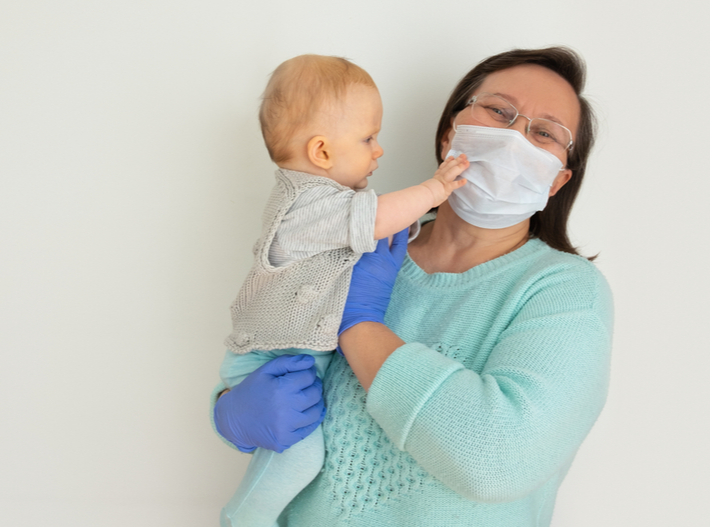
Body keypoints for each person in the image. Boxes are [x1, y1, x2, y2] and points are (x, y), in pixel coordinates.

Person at [212, 46, 614, 527]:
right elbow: (274, 336)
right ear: (451, 134)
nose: (514, 137)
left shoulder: (566, 292)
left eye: (545, 133)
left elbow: (496, 461)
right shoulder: (356, 243)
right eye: (499, 111)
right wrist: (230, 413)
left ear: (557, 181)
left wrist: (360, 325)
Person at [214, 54, 468, 527]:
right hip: (269, 361)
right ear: (322, 153)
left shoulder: (327, 206)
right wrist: (435, 190)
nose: (379, 151)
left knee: (301, 458)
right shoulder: (306, 204)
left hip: (291, 359)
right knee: (299, 458)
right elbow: (375, 218)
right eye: (368, 138)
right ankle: (241, 520)